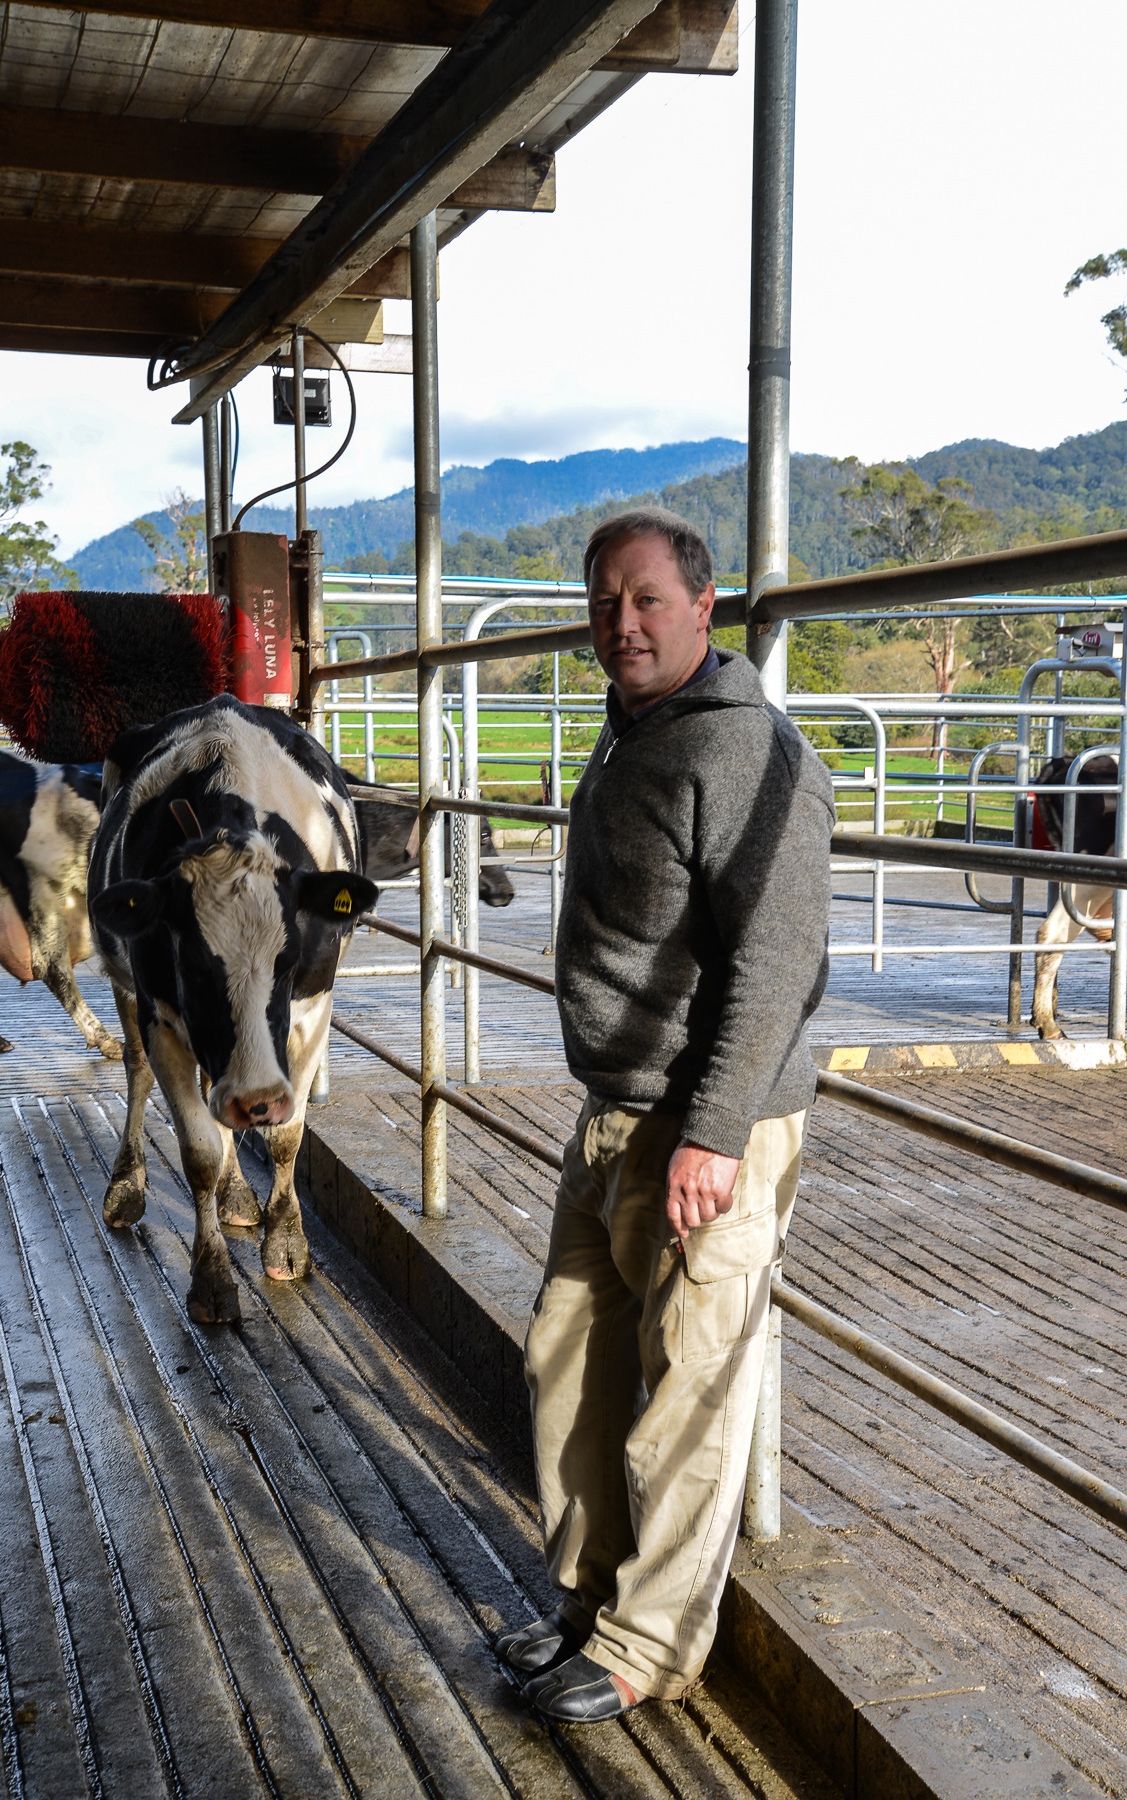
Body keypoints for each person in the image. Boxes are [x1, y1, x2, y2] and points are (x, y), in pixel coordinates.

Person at [495, 507, 835, 1723]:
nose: (622, 622)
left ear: (706, 605)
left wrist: (716, 1132)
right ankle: (587, 1596)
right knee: (568, 1356)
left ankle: (647, 1646)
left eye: (647, 599)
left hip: (705, 1125)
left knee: (690, 1385)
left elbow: (780, 962)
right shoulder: (629, 732)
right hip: (613, 1111)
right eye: (603, 600)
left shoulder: (746, 753)